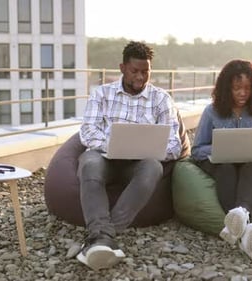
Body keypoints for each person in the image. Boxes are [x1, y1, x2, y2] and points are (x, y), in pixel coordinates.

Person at [76, 41, 182, 270]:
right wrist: (113, 146)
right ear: (122, 68)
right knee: (89, 165)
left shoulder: (161, 99)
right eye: (135, 71)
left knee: (153, 167)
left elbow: (174, 143)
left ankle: (101, 237)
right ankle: (104, 237)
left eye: (146, 71)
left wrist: (147, 149)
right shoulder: (101, 94)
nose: (141, 77)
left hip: (139, 163)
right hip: (104, 157)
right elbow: (87, 131)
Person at [191, 59, 252, 260]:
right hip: (217, 163)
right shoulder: (211, 111)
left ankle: (240, 221)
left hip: (248, 162)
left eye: (247, 88)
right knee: (227, 167)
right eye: (237, 88)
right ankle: (245, 225)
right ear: (227, 88)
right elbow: (196, 149)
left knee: (251, 166)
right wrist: (219, 148)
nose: (242, 93)